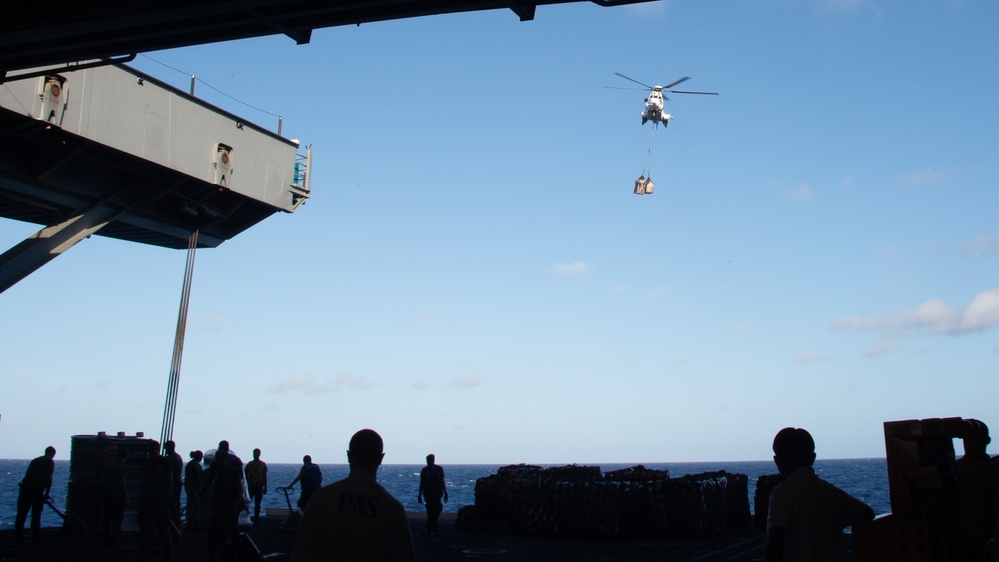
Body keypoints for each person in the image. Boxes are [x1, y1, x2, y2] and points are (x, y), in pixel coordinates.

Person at [292, 429, 415, 562]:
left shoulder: (321, 499)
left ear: (349, 456)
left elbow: (301, 552)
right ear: (380, 458)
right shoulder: (393, 510)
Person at [765, 427, 874, 562]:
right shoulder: (831, 493)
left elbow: (775, 540)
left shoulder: (783, 493)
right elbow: (866, 513)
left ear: (777, 461)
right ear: (813, 458)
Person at [955, 421, 999, 561]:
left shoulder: (955, 470)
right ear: (987, 441)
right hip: (986, 538)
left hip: (959, 537)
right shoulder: (993, 473)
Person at [138, 440, 174, 562]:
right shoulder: (148, 462)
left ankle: (168, 555)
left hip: (159, 502)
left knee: (163, 530)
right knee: (145, 531)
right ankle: (144, 555)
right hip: (148, 501)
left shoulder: (164, 462)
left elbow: (169, 482)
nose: (151, 451)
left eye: (153, 448)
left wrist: (164, 499)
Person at [14, 445, 56, 543]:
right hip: (36, 489)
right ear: (53, 454)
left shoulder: (35, 460)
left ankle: (18, 535)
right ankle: (35, 536)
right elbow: (49, 478)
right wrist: (47, 493)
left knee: (22, 512)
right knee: (36, 513)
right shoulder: (49, 461)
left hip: (25, 487)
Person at [102, 449, 130, 548]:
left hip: (107, 495)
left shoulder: (110, 466)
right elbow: (123, 484)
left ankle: (105, 539)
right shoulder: (123, 467)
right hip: (117, 496)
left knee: (107, 518)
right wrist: (126, 498)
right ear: (126, 457)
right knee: (117, 519)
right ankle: (114, 540)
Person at [417, 453, 448, 535]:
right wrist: (419, 494)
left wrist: (445, 492)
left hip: (437, 493)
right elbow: (422, 483)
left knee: (438, 509)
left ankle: (430, 524)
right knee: (430, 510)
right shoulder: (425, 470)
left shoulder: (439, 469)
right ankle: (432, 527)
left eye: (429, 460)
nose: (428, 462)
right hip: (428, 493)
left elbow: (442, 481)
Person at [163, 440, 184, 530]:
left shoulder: (169, 459)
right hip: (177, 484)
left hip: (171, 485)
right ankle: (176, 525)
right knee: (176, 506)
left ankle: (172, 527)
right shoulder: (178, 457)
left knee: (171, 506)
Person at [245, 448, 268, 523]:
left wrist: (265, 487)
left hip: (259, 486)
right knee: (248, 502)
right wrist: (247, 483)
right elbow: (245, 474)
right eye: (254, 454)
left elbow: (264, 476)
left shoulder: (263, 465)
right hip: (251, 486)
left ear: (259, 454)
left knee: (258, 503)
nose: (255, 455)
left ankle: (256, 518)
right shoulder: (249, 464)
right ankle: (246, 516)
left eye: (256, 454)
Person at [184, 450, 204, 531]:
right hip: (193, 490)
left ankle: (193, 524)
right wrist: (192, 490)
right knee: (192, 508)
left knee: (194, 508)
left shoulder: (194, 465)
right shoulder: (192, 465)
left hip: (196, 490)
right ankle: (190, 524)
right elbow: (189, 479)